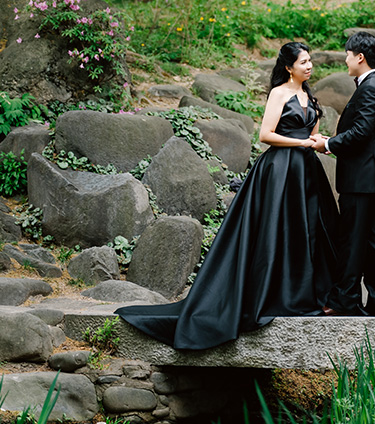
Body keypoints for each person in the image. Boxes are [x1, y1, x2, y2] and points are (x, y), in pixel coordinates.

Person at [117, 42, 338, 349]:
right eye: (303, 62)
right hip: (279, 170)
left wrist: (317, 140)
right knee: (276, 229)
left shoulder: (308, 96)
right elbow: (265, 135)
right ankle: (268, 294)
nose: (309, 66)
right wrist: (299, 143)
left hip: (306, 172)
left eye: (310, 60)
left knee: (306, 231)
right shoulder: (279, 93)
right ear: (289, 67)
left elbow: (312, 130)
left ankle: (305, 292)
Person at [315, 31, 375, 317]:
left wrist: (328, 143)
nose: (346, 59)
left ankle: (343, 300)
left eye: (348, 54)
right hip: (369, 177)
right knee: (372, 239)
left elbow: (360, 133)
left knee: (352, 239)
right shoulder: (374, 84)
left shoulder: (371, 87)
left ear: (360, 57)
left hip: (362, 179)